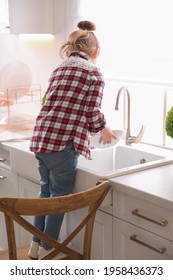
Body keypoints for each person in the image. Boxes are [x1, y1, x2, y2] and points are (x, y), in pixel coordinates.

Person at [28, 20, 116, 260]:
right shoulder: (94, 73)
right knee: (59, 199)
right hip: (62, 144)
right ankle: (49, 249)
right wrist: (104, 129)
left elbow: (53, 102)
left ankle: (35, 245)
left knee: (45, 193)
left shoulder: (61, 67)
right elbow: (91, 112)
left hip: (41, 138)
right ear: (95, 52)